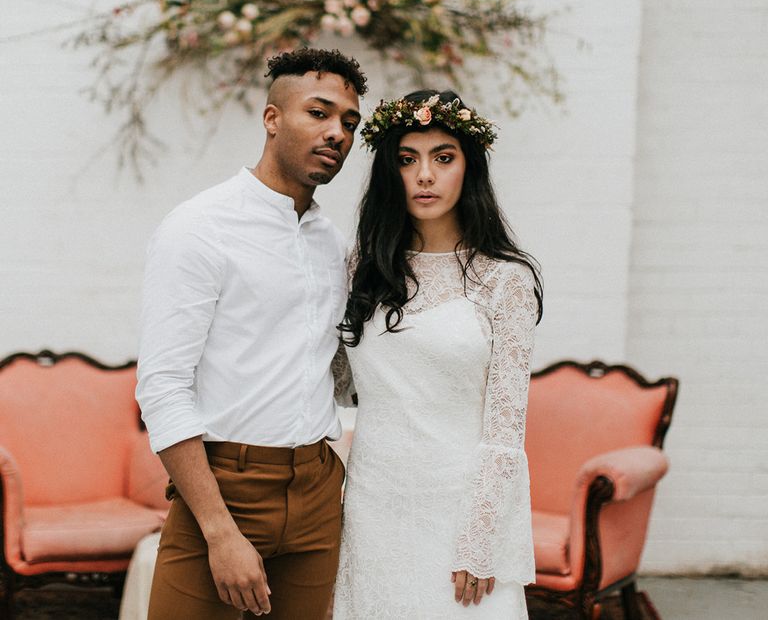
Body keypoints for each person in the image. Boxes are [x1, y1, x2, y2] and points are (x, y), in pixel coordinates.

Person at [135, 47, 367, 620]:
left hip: (316, 494)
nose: (337, 132)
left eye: (349, 123)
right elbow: (162, 387)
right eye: (319, 113)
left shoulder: (333, 243)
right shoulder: (199, 228)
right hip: (222, 492)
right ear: (272, 119)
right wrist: (219, 532)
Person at [331, 90, 543, 618]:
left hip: (458, 508)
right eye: (407, 160)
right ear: (389, 173)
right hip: (373, 501)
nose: (424, 175)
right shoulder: (362, 268)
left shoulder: (504, 279)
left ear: (469, 169)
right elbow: (334, 383)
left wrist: (480, 537)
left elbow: (504, 428)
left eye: (443, 157)